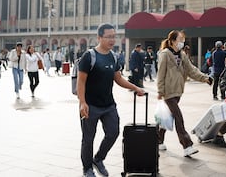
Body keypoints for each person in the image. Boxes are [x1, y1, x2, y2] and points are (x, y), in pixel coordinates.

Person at [77, 23, 145, 177]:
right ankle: (87, 168)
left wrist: (136, 88)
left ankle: (98, 159)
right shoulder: (89, 56)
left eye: (114, 36)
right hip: (90, 105)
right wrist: (82, 102)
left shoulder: (114, 57)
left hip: (108, 105)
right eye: (108, 37)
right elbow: (81, 82)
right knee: (88, 139)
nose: (112, 40)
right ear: (99, 37)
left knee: (113, 132)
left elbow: (118, 79)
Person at [157, 30, 213, 157]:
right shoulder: (165, 54)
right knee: (178, 117)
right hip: (168, 92)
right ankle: (187, 145)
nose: (182, 42)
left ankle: (158, 140)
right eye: (179, 40)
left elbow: (191, 70)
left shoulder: (182, 55)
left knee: (168, 116)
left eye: (183, 40)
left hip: (178, 92)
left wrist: (205, 78)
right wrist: (160, 91)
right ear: (172, 41)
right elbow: (160, 74)